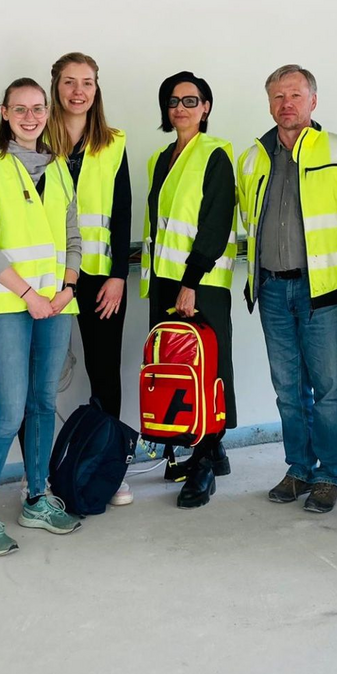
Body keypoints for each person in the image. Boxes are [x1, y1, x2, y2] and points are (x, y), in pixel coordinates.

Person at [237, 64, 337, 513]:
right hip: (273, 290)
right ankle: (299, 467)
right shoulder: (253, 158)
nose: (286, 104)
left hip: (325, 293)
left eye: (295, 95)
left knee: (330, 387)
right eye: (277, 97)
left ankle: (329, 474)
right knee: (287, 388)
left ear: (313, 101)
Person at [0, 77, 82, 556]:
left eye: (37, 108)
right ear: (5, 113)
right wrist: (30, 294)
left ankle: (36, 498)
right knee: (9, 411)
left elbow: (72, 236)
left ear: (46, 113)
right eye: (20, 109)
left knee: (43, 403)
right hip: (6, 305)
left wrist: (68, 286)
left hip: (54, 304)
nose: (30, 117)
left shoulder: (59, 168)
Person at [141, 71, 237, 509]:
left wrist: (190, 283)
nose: (181, 107)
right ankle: (207, 448)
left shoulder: (214, 154)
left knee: (207, 371)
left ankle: (202, 462)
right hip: (165, 281)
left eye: (191, 100)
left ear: (207, 108)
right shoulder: (160, 158)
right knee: (178, 367)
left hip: (200, 284)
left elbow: (215, 223)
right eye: (174, 100)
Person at [46, 52, 134, 507]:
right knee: (43, 377)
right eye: (68, 82)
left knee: (105, 373)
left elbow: (121, 216)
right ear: (55, 86)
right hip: (48, 277)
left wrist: (119, 276)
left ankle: (108, 468)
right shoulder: (36, 135)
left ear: (97, 88)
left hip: (100, 277)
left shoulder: (114, 142)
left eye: (87, 82)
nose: (78, 91)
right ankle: (39, 474)